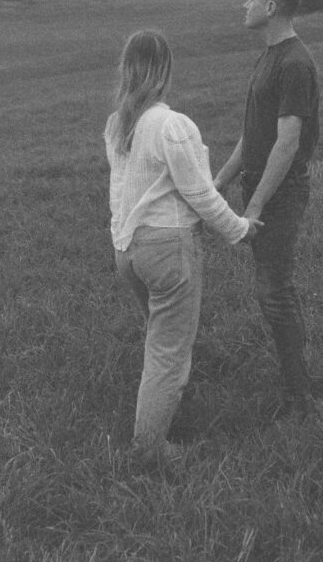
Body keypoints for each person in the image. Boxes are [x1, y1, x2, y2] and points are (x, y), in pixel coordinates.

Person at [104, 29, 262, 465]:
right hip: (169, 249)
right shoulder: (172, 124)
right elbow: (201, 194)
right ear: (165, 70)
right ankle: (151, 448)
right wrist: (241, 228)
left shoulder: (119, 123)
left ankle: (165, 403)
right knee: (167, 351)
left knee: (161, 335)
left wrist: (122, 240)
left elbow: (119, 192)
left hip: (128, 250)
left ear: (127, 69)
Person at [214, 0, 320, 421]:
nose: (245, 4)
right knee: (271, 289)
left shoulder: (295, 62)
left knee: (275, 291)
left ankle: (299, 397)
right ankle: (296, 381)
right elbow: (252, 133)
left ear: (271, 8)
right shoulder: (270, 56)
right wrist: (219, 183)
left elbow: (288, 142)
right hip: (259, 187)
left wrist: (255, 204)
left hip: (280, 192)